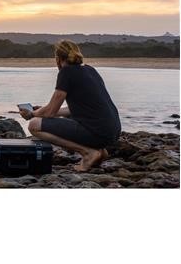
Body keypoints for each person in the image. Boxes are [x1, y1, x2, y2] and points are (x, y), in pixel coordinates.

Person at [19, 40, 121, 172]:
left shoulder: (66, 72)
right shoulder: (90, 70)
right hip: (113, 132)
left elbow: (50, 112)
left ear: (58, 58)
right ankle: (100, 151)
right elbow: (72, 110)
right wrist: (42, 110)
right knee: (65, 117)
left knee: (34, 125)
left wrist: (32, 114)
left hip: (97, 132)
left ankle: (87, 152)